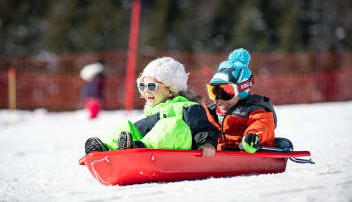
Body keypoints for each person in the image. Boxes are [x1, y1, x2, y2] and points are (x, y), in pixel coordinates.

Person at [85, 57, 219, 157]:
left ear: (170, 90)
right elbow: (139, 129)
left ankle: (139, 148)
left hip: (183, 147)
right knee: (128, 127)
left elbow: (205, 128)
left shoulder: (187, 107)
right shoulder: (153, 111)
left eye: (151, 86)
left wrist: (207, 143)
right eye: (142, 86)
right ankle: (106, 148)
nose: (146, 91)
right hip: (157, 146)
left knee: (172, 125)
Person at [204, 48, 276, 153]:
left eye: (226, 92)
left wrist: (253, 136)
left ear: (242, 89)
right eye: (214, 92)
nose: (219, 100)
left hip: (246, 152)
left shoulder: (254, 109)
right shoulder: (211, 113)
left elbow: (262, 124)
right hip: (217, 155)